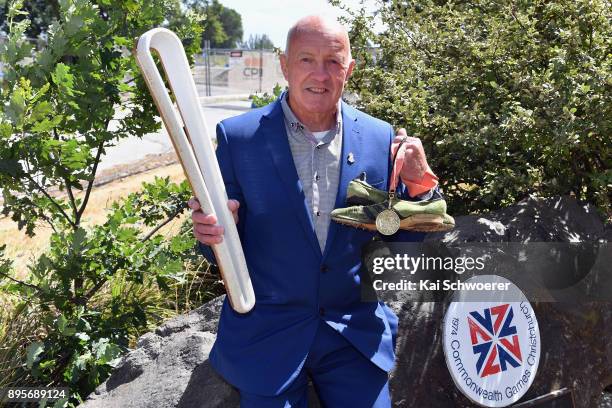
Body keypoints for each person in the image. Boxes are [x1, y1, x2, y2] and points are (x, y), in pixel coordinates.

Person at [189, 15, 438, 408]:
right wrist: (213, 232)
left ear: (349, 69)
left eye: (333, 61)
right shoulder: (238, 138)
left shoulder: (380, 138)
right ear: (284, 64)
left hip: (352, 336)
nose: (319, 74)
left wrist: (420, 183)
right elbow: (218, 251)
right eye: (306, 59)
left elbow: (402, 245)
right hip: (267, 337)